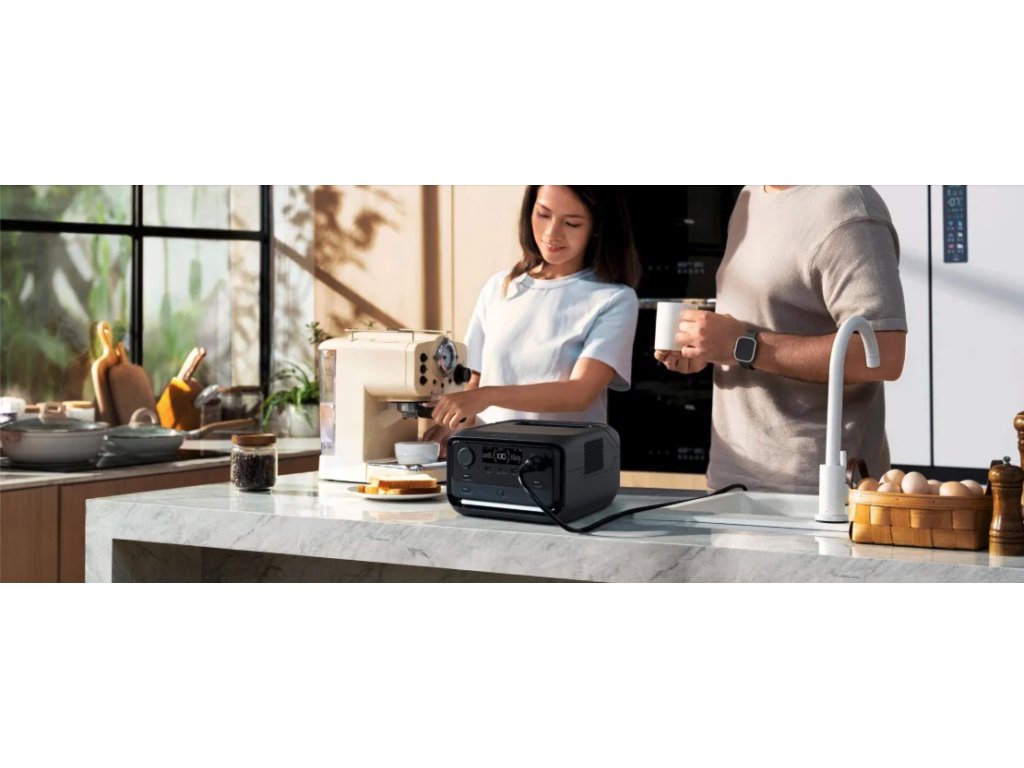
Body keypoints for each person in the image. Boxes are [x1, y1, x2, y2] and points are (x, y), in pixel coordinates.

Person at [654, 185, 907, 494]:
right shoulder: (750, 195)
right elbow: (765, 323)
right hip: (731, 478)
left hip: (815, 490)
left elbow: (883, 354)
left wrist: (742, 346)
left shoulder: (846, 205)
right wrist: (711, 348)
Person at [426, 185, 641, 452]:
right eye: (543, 214)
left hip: (563, 462)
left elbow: (580, 393)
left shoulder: (613, 299)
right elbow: (473, 383)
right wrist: (452, 423)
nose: (552, 233)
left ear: (598, 227)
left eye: (572, 223)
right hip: (487, 458)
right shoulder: (498, 288)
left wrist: (487, 396)